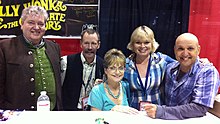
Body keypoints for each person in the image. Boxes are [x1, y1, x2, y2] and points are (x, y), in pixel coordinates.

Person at [144, 33, 220, 119]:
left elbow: (200, 108)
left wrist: (162, 112)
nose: (185, 53)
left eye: (190, 48)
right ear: (175, 50)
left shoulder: (207, 72)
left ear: (198, 50)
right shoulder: (170, 68)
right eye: (180, 49)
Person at [0, 6, 62, 110]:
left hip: (52, 113)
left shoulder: (54, 47)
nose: (36, 27)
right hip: (17, 114)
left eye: (41, 24)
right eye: (31, 23)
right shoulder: (5, 48)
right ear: (22, 24)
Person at [123, 25, 175, 110]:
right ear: (132, 44)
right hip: (133, 114)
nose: (142, 46)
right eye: (138, 42)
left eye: (146, 42)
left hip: (156, 113)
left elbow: (183, 63)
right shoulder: (126, 64)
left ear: (152, 44)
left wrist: (199, 62)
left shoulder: (161, 60)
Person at [61, 24, 104, 111]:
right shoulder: (66, 62)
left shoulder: (103, 65)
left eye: (93, 43)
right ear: (81, 44)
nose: (90, 47)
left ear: (98, 45)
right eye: (86, 43)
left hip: (93, 111)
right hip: (69, 112)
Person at [88, 48, 139, 114]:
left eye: (120, 68)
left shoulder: (125, 86)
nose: (117, 72)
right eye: (112, 68)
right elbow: (96, 120)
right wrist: (111, 112)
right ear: (106, 70)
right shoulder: (97, 91)